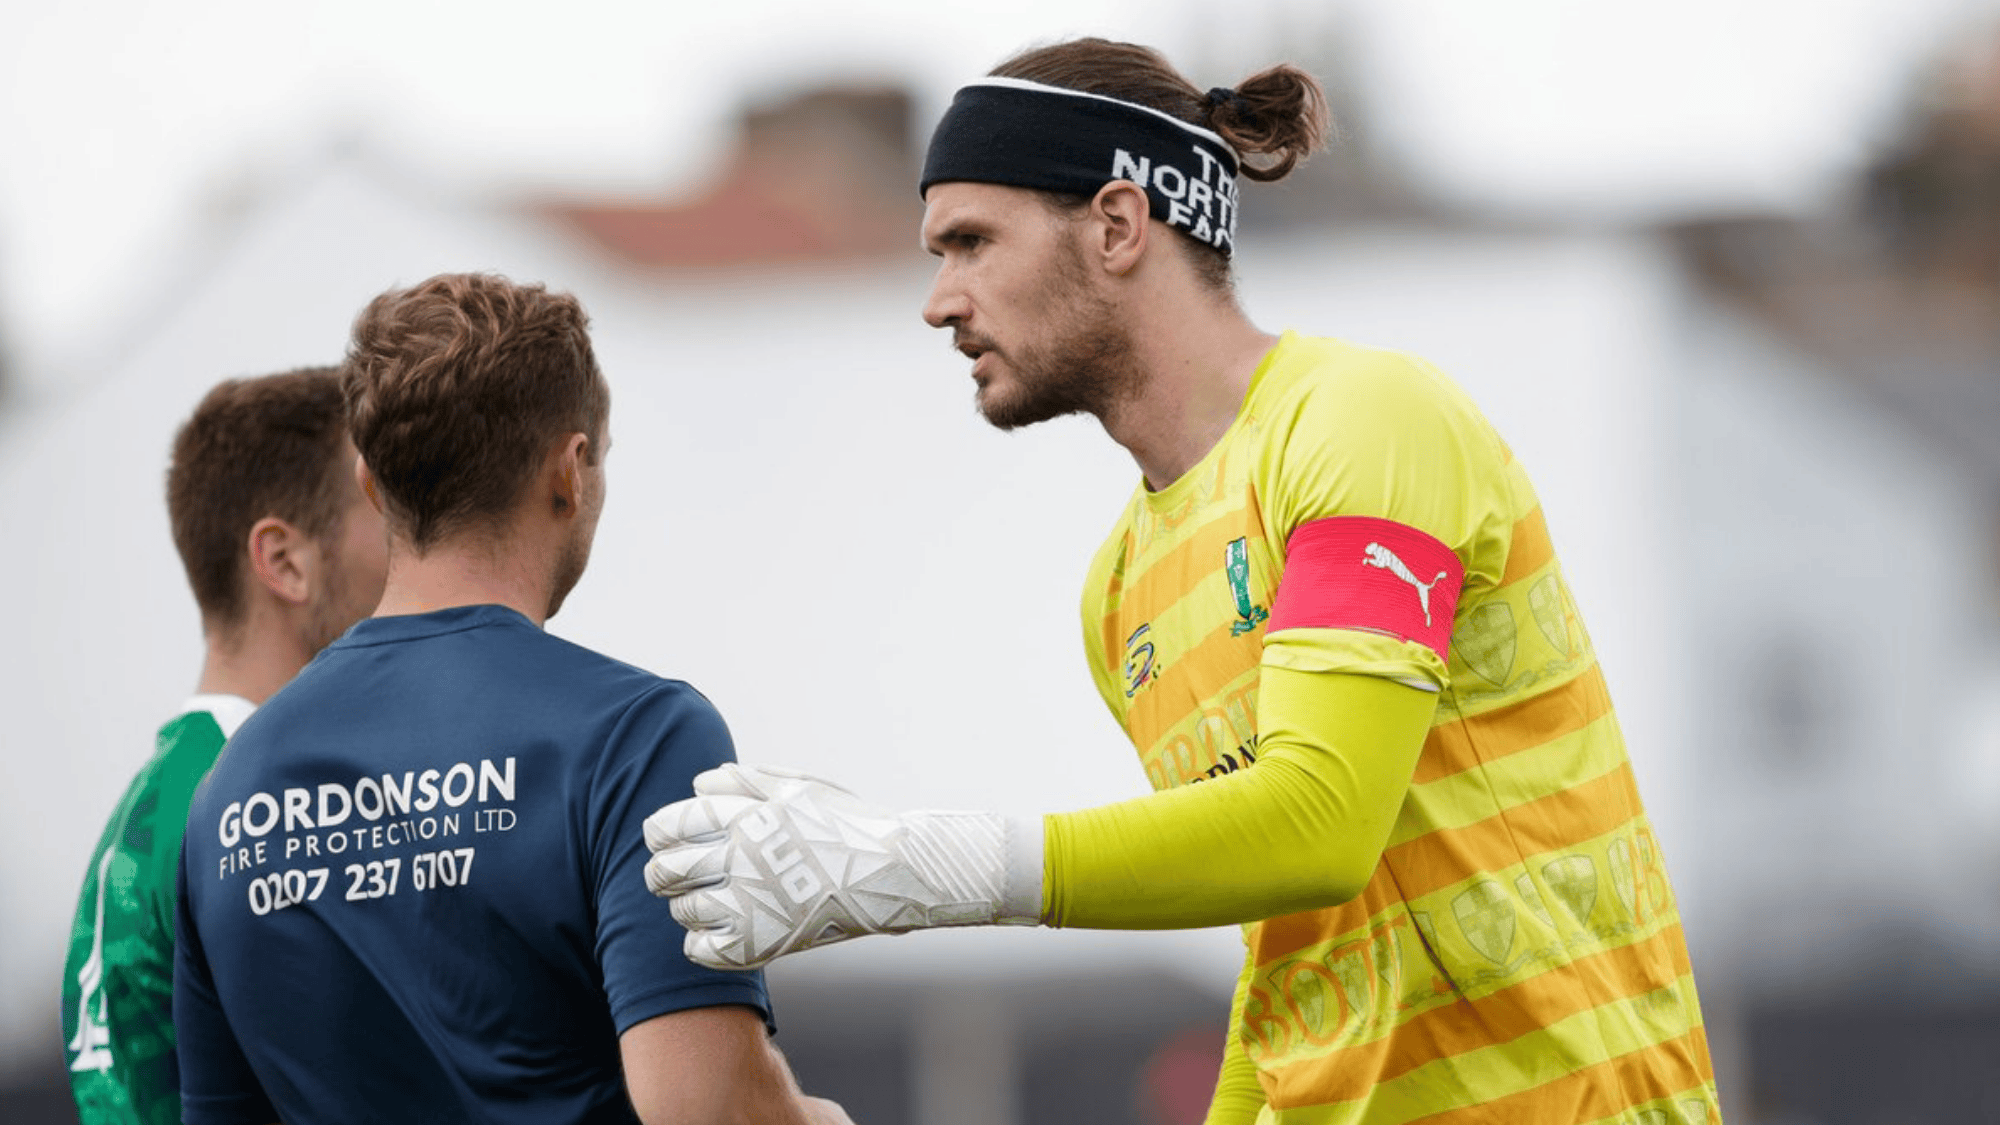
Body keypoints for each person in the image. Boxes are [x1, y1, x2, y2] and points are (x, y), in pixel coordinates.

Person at [644, 38, 1722, 1125]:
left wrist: (919, 863)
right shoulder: (1117, 590)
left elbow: (1318, 824)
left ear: (1116, 224)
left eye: (970, 242)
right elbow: (1283, 951)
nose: (938, 301)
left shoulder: (1357, 416)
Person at [171, 273, 847, 1125]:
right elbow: (705, 1109)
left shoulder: (228, 791)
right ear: (571, 471)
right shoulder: (637, 739)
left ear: (374, 487)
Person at [61, 366, 389, 1125]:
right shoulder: (263, 813)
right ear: (283, 561)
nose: (419, 557)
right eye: (390, 513)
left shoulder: (167, 802)